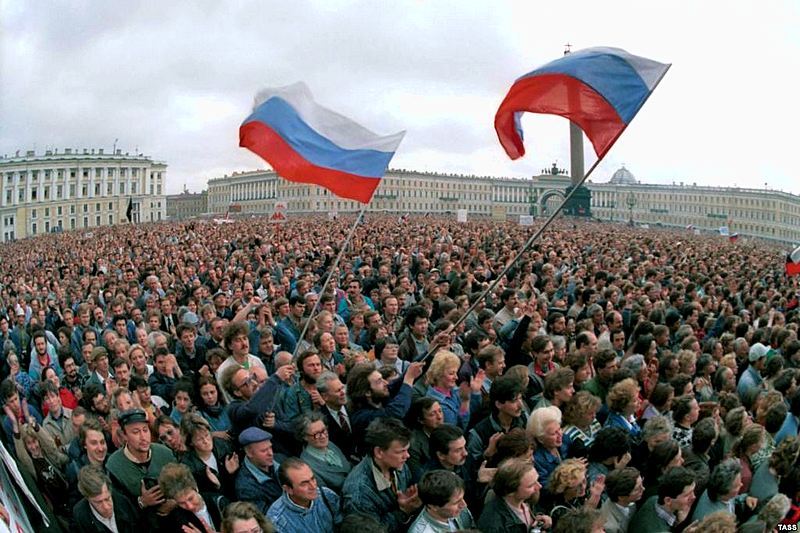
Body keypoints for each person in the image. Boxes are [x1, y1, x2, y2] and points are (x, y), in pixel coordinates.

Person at [342, 417, 421, 533]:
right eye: (400, 451)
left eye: (407, 450)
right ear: (379, 452)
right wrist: (403, 512)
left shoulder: (398, 463)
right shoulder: (358, 493)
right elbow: (373, 530)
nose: (407, 456)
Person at [105, 409, 176, 522]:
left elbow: (184, 485)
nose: (143, 437)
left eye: (145, 430)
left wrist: (175, 501)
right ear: (124, 436)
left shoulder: (165, 453)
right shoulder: (114, 465)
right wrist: (142, 502)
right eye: (136, 432)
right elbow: (119, 510)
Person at [266, 457, 342, 532]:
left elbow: (341, 524)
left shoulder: (327, 495)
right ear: (288, 489)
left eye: (313, 479)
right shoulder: (277, 522)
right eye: (304, 483)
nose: (313, 486)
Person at [476, 458, 550, 533]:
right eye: (530, 486)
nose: (539, 486)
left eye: (537, 480)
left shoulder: (527, 500)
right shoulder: (493, 523)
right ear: (510, 491)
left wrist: (540, 520)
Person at [158, 462, 228, 531]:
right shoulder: (178, 518)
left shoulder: (219, 503)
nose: (189, 506)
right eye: (181, 503)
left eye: (191, 498)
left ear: (196, 488)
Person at [73, 465, 144, 533]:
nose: (106, 507)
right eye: (98, 502)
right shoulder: (80, 516)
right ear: (87, 498)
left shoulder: (123, 501)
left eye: (107, 499)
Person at [297, 412, 352, 492]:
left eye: (324, 430)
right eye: (316, 434)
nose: (323, 436)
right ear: (305, 437)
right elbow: (327, 496)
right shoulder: (308, 466)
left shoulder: (330, 444)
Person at [629, 466, 696, 531]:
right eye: (687, 495)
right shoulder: (658, 530)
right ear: (668, 500)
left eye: (693, 491)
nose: (693, 497)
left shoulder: (653, 499)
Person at [691, 458, 758, 522]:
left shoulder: (719, 492)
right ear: (726, 491)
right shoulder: (713, 519)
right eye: (737, 486)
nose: (741, 485)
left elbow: (732, 499)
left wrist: (745, 498)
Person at [409, 469, 475, 532]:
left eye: (462, 498)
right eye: (456, 502)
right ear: (434, 506)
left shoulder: (460, 509)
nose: (464, 505)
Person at [235, 427, 282, 514]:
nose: (270, 453)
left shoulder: (281, 459)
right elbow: (267, 516)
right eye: (264, 450)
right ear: (249, 453)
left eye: (270, 448)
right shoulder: (246, 487)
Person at [600, 466, 644, 533]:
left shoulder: (629, 502)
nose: (643, 489)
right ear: (622, 497)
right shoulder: (610, 527)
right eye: (637, 489)